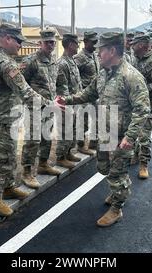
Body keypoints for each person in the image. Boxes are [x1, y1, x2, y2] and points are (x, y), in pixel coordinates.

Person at [56, 32, 150, 227]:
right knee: (104, 168)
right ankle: (118, 190)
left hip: (121, 137)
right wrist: (68, 99)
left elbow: (143, 110)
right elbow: (89, 93)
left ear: (112, 51)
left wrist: (130, 137)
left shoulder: (131, 76)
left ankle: (117, 208)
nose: (98, 53)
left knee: (117, 173)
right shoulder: (103, 72)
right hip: (105, 133)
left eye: (101, 50)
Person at [0, 24, 60, 217]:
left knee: (7, 154)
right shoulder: (6, 64)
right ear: (7, 38)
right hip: (3, 117)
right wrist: (50, 103)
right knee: (2, 159)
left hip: (2, 115)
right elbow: (25, 91)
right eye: (18, 41)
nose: (20, 45)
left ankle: (7, 188)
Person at [20, 28, 62, 190]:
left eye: (53, 42)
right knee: (32, 140)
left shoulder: (53, 61)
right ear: (40, 43)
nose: (51, 45)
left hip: (49, 106)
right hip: (34, 108)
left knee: (46, 136)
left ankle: (43, 164)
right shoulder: (30, 61)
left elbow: (55, 82)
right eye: (47, 42)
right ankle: (27, 172)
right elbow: (21, 85)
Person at [130, 33, 152, 179]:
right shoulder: (133, 61)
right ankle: (136, 156)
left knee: (144, 137)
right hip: (133, 106)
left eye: (134, 44)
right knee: (134, 134)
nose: (132, 47)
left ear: (142, 45)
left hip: (147, 107)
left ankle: (144, 164)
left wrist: (141, 88)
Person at [55, 34, 83, 169]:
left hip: (75, 102)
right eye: (77, 43)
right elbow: (62, 87)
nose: (78, 46)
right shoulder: (62, 63)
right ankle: (60, 157)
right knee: (66, 130)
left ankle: (68, 153)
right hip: (66, 104)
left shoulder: (72, 61)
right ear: (71, 45)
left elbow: (78, 83)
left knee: (73, 129)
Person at [74, 31, 99, 155]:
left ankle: (94, 142)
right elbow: (74, 75)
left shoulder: (94, 55)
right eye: (93, 42)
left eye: (96, 42)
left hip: (95, 93)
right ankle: (80, 144)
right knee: (82, 120)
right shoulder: (79, 58)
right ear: (85, 42)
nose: (95, 44)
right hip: (84, 94)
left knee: (97, 118)